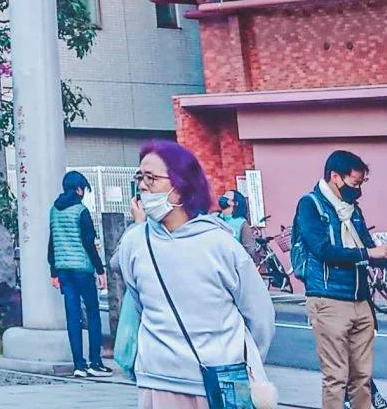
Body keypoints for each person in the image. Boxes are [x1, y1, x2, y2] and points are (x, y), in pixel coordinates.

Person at [113, 141, 276, 409]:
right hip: (160, 382)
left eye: (151, 178)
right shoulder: (134, 243)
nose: (142, 186)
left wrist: (243, 363)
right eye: (140, 177)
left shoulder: (221, 245)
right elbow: (142, 306)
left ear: (180, 187)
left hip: (223, 381)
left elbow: (260, 316)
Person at [293, 150, 387, 409]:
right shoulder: (310, 205)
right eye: (354, 183)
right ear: (335, 177)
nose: (358, 189)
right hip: (328, 299)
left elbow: (369, 249)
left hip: (360, 299)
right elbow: (324, 250)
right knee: (336, 377)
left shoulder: (353, 210)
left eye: (361, 184)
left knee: (362, 377)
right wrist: (367, 253)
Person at [51, 169, 114, 377]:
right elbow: (88, 243)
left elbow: (52, 242)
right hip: (82, 270)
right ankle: (95, 362)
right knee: (93, 314)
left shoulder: (55, 210)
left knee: (73, 316)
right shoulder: (81, 211)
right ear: (79, 189)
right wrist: (100, 269)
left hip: (63, 271)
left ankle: (79, 365)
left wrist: (53, 271)